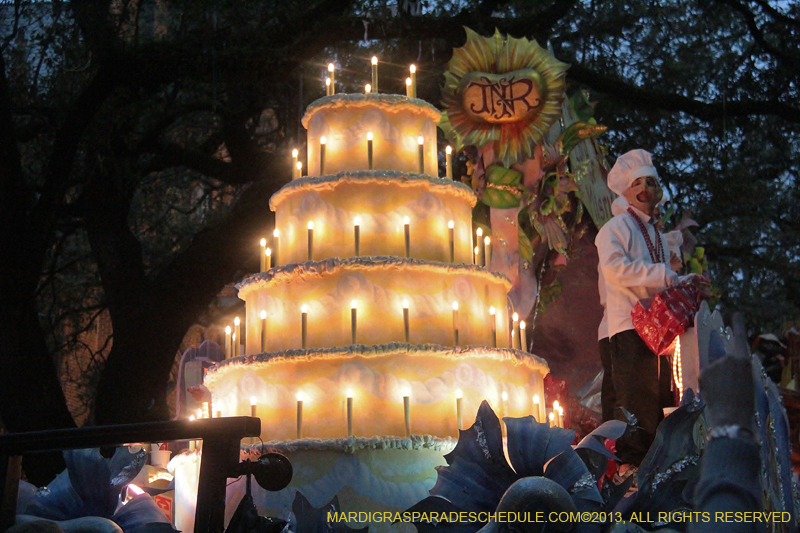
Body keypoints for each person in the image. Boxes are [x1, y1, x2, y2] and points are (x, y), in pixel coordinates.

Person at [595, 149, 681, 473]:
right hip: (626, 326)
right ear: (627, 191)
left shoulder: (656, 233)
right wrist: (663, 275)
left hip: (656, 332)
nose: (645, 188)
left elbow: (661, 279)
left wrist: (678, 280)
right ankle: (628, 473)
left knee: (654, 402)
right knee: (635, 401)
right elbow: (615, 270)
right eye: (638, 183)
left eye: (651, 182)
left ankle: (648, 473)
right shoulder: (615, 228)